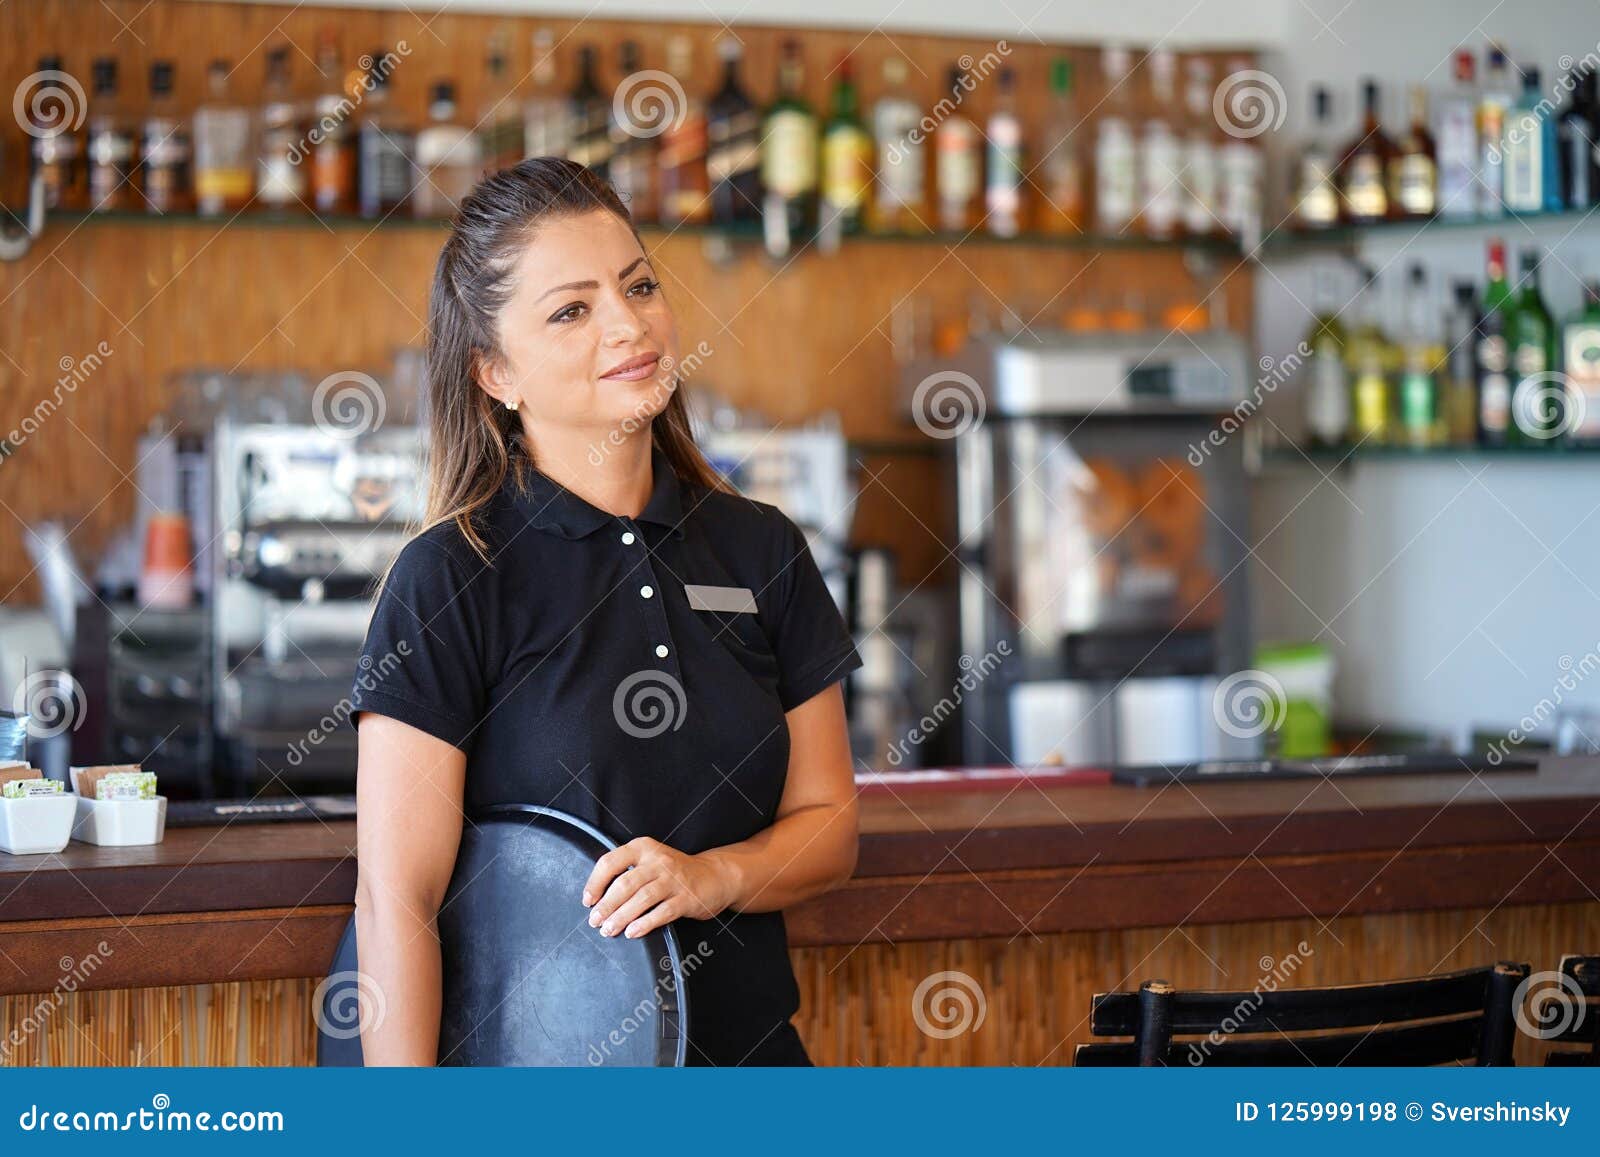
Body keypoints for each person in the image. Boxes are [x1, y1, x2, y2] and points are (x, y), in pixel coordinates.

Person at [349, 157, 863, 1066]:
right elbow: (397, 901)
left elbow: (829, 828)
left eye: (639, 285)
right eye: (571, 309)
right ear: (494, 372)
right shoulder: (448, 578)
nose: (630, 325)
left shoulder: (762, 549)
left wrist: (712, 876)